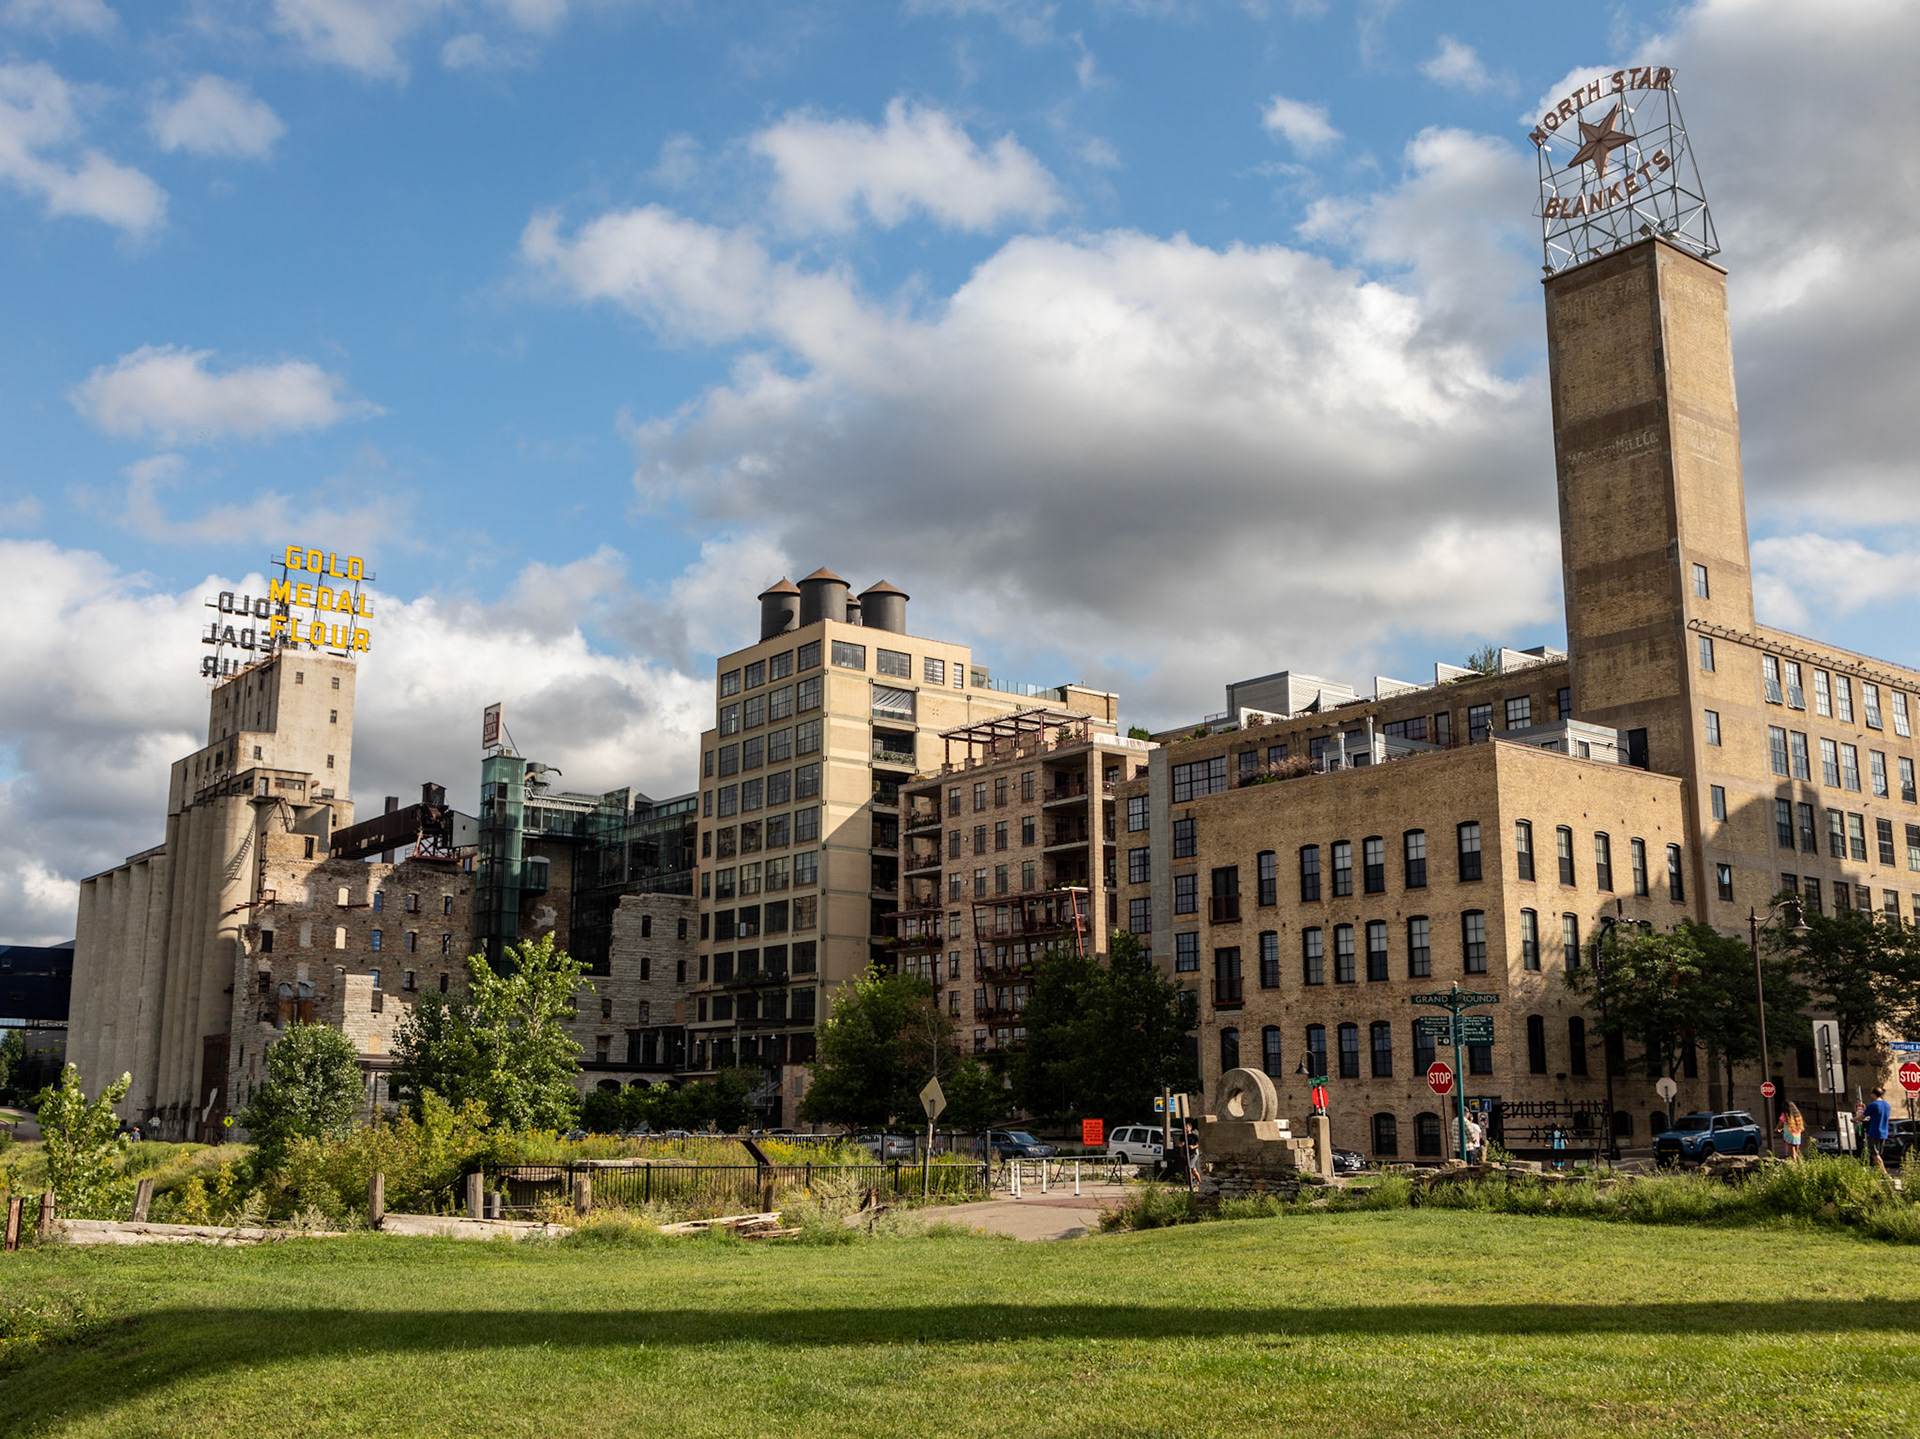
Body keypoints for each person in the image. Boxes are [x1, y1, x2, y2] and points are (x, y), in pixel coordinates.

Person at [1861, 1087, 1893, 1173]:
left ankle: (1884, 1173)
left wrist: (1854, 1119)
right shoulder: (1887, 1105)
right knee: (1878, 1154)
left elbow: (1863, 1116)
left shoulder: (1873, 1105)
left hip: (1874, 1132)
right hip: (1884, 1132)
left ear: (1874, 1094)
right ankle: (1877, 1171)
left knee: (1875, 1154)